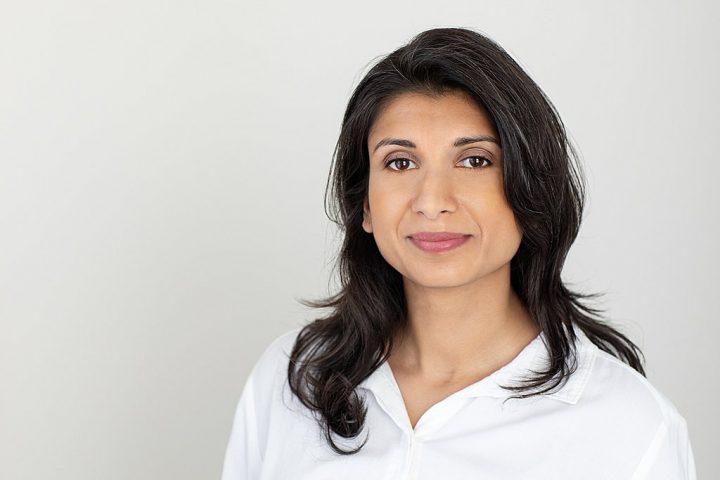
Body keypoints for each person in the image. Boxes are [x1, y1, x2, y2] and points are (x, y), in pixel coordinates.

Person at [221, 27, 697, 479]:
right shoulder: (291, 379)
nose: (432, 201)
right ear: (364, 203)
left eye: (474, 160)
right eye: (400, 162)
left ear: (529, 189)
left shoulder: (627, 428)